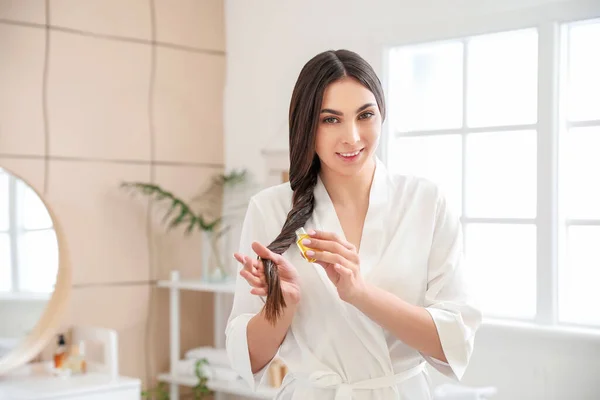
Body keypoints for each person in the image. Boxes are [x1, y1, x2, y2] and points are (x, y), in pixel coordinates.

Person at [225, 49, 482, 400]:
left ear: (382, 115)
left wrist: (361, 293)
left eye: (365, 115)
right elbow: (247, 358)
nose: (352, 137)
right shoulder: (270, 209)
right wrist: (280, 310)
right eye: (330, 119)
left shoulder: (426, 202)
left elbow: (452, 341)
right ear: (306, 124)